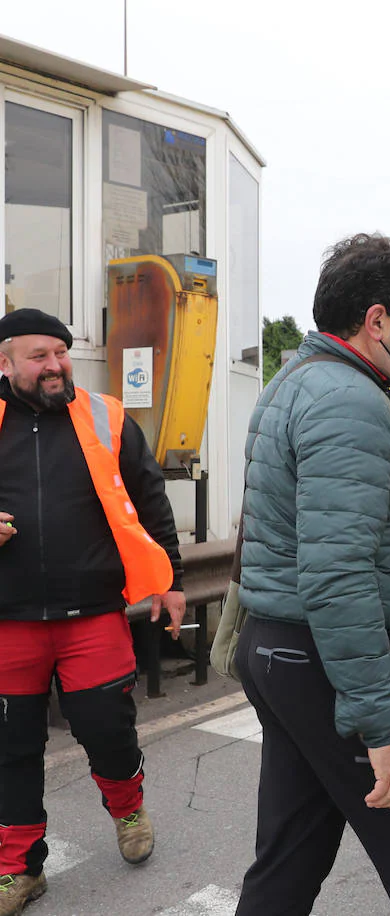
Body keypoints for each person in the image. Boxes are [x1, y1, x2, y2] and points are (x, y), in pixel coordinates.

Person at [232, 233, 390, 915]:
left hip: (283, 649)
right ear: (377, 322)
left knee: (291, 851)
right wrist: (385, 731)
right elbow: (338, 574)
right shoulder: (350, 405)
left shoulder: (297, 380)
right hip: (325, 661)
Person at [0, 309, 185, 916]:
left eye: (61, 351)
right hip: (8, 622)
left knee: (108, 729)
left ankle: (127, 808)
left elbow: (150, 497)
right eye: (39, 356)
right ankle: (18, 867)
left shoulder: (105, 416)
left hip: (93, 615)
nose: (56, 365)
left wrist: (172, 580)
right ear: (5, 364)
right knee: (11, 748)